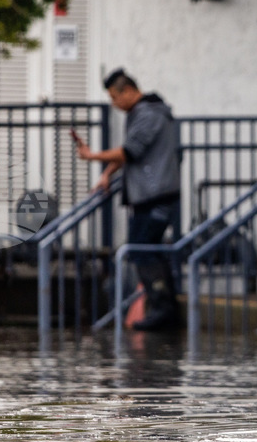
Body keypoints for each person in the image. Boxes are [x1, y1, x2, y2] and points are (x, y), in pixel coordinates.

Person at [77, 69, 182, 331]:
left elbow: (130, 151)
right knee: (148, 249)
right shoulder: (144, 112)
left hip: (156, 194)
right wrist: (107, 173)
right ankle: (165, 309)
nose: (113, 104)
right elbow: (131, 152)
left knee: (142, 250)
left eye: (114, 97)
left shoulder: (148, 114)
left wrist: (92, 156)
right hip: (150, 194)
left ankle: (163, 309)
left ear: (127, 91)